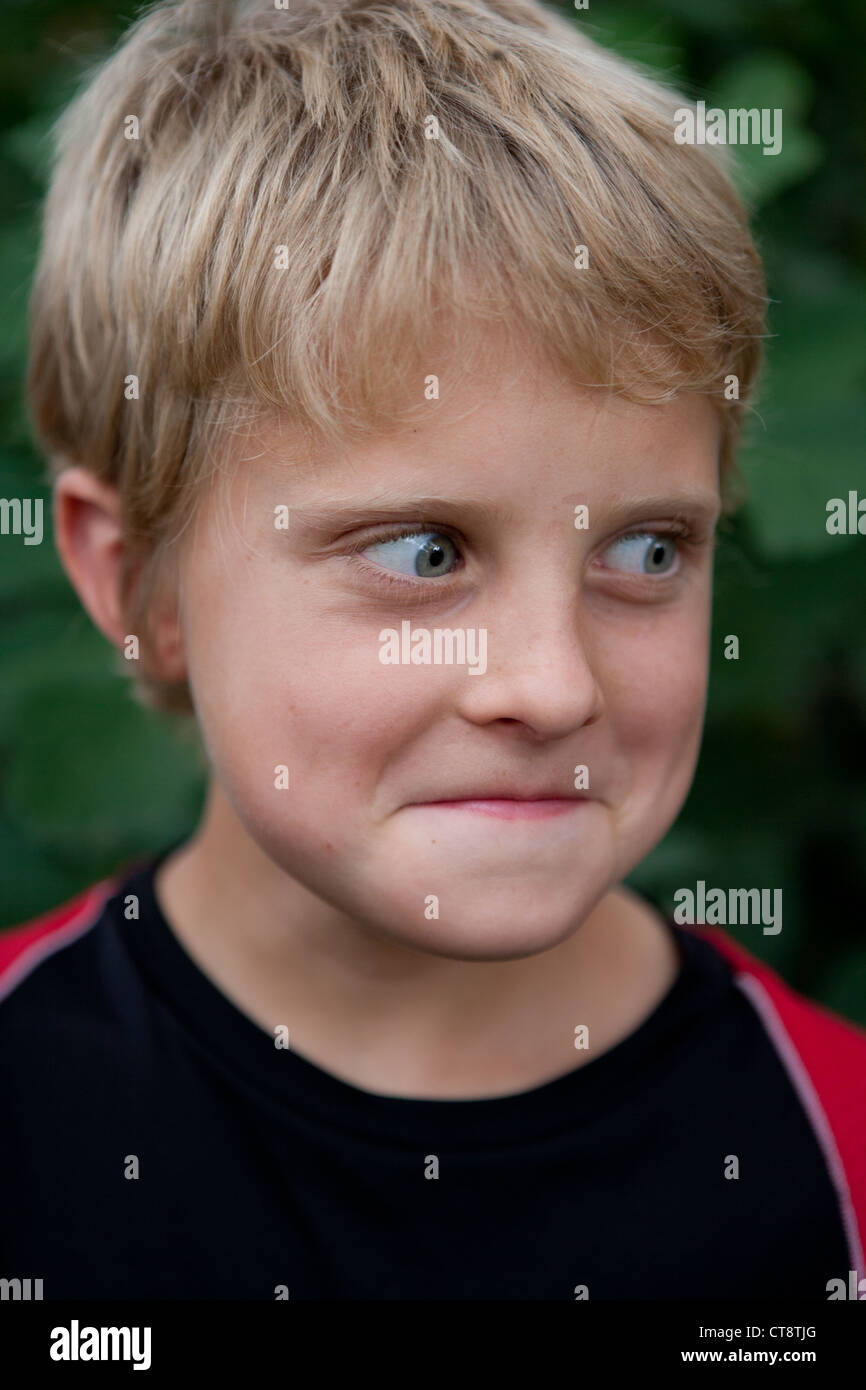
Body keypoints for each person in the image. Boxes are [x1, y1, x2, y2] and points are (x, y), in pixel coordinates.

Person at [2, 0, 863, 1300]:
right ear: (139, 585)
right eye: (422, 553)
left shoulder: (836, 1156)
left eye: (642, 553)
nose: (552, 684)